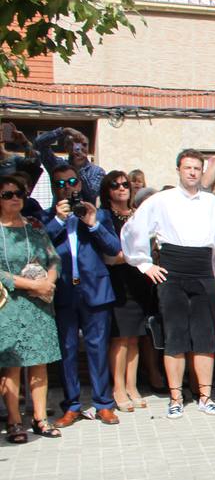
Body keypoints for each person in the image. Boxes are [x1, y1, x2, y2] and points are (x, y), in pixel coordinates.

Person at [122, 149, 215, 419]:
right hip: (172, 271)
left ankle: (205, 396)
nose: (193, 172)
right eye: (188, 168)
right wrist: (145, 264)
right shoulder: (161, 200)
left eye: (197, 168)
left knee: (205, 337)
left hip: (202, 270)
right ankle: (175, 397)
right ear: (179, 170)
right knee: (175, 337)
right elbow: (134, 229)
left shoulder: (210, 203)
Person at [44, 163, 122, 427]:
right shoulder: (48, 217)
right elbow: (39, 248)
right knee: (67, 351)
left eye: (72, 182)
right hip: (64, 292)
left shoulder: (97, 214)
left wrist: (92, 224)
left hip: (96, 292)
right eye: (61, 184)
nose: (68, 188)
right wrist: (58, 221)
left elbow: (113, 247)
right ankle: (72, 405)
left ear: (80, 184)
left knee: (97, 349)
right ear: (55, 189)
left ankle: (103, 404)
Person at [0, 175, 62, 442]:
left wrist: (49, 281)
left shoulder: (35, 227)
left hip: (39, 304)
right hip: (9, 304)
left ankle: (40, 419)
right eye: (8, 194)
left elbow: (54, 258)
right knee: (12, 365)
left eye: (19, 193)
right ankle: (14, 421)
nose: (15, 198)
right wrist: (31, 285)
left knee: (39, 363)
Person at [99, 171, 155, 412]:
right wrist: (134, 258)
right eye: (115, 185)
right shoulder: (103, 217)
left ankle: (132, 386)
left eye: (125, 184)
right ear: (107, 190)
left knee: (135, 337)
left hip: (139, 280)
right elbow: (111, 255)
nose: (122, 188)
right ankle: (118, 388)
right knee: (120, 338)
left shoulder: (136, 214)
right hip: (118, 281)